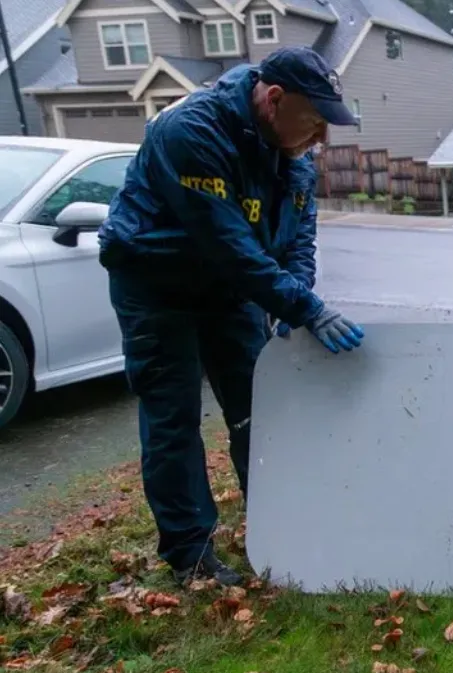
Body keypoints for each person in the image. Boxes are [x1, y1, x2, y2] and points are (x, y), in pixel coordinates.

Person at [98, 46, 366, 587]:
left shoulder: (294, 154)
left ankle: (277, 524)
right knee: (173, 417)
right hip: (157, 281)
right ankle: (190, 553)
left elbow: (298, 238)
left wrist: (298, 297)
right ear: (273, 100)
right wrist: (302, 306)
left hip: (231, 287)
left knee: (259, 409)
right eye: (314, 123)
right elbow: (227, 243)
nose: (321, 140)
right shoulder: (191, 131)